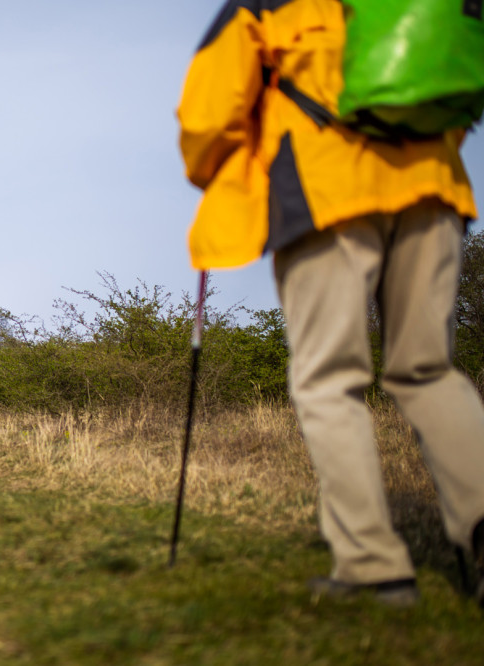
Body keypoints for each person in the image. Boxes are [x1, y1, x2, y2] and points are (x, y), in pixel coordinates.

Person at [177, 0, 484, 607]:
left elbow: (206, 116)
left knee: (327, 380)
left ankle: (372, 567)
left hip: (324, 193)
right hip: (434, 189)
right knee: (427, 372)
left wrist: (215, 175)